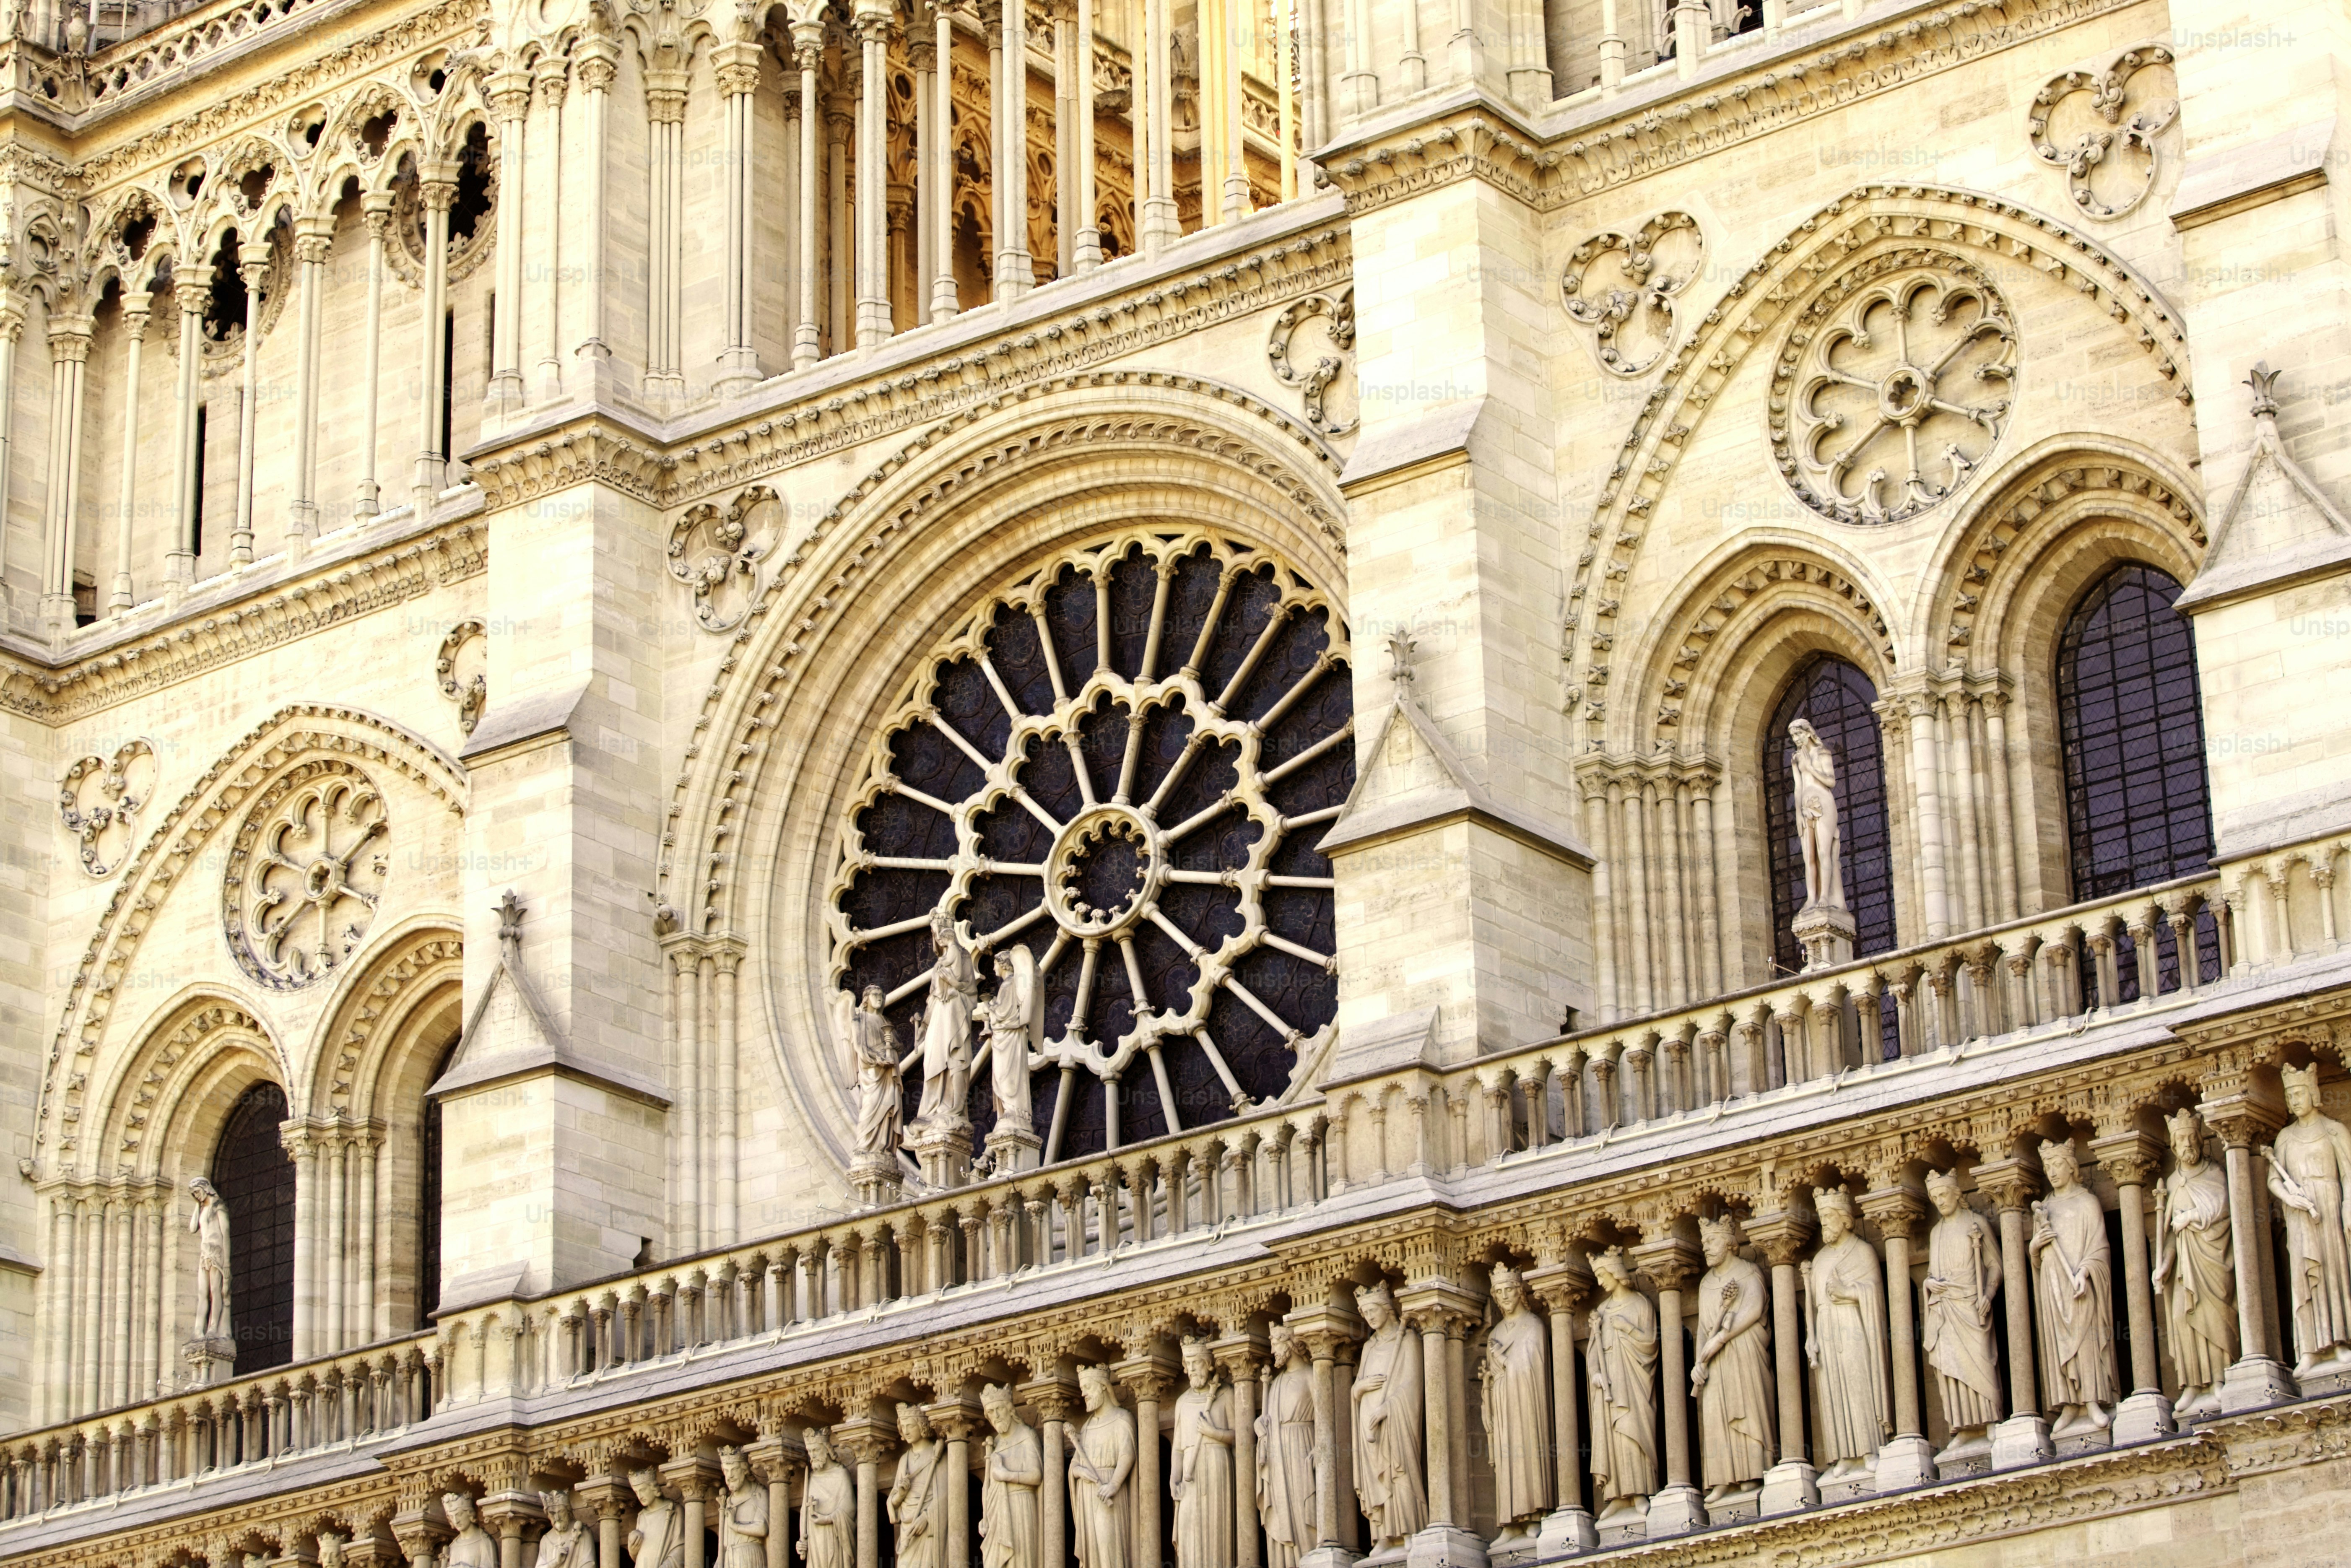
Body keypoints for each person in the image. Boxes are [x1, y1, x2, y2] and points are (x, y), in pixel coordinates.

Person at [2268, 1062, 2351, 1378]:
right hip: (2299, 1214)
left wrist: (2346, 1209)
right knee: (2304, 1276)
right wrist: (2288, 1198)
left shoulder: (2334, 1130)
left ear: (2313, 1093)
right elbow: (2273, 1180)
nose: (2294, 1100)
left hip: (2329, 1207)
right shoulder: (2285, 1138)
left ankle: (2340, 1340)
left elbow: (2347, 1175)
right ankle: (2310, 1349)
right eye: (2289, 1095)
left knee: (2333, 1271)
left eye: (2299, 1093)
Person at [2153, 1109, 2235, 1417]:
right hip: (2183, 1270)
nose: (2186, 1144)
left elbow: (2223, 1208)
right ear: (2173, 1147)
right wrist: (2163, 1265)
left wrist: (2193, 1217)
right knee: (2180, 1319)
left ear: (2200, 1141)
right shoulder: (2173, 1182)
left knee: (2212, 1314)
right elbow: (2170, 1235)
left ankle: (2219, 1378)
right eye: (2180, 1139)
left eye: (2191, 1138)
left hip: (2211, 1260)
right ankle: (2191, 1384)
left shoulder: (2214, 1174)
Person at [1803, 1189, 1889, 1482]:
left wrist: (1847, 1293)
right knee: (1832, 1391)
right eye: (1822, 1218)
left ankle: (1869, 1449)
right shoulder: (1820, 1259)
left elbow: (1874, 1292)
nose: (1824, 1223)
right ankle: (1843, 1454)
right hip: (1826, 1329)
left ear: (1845, 1220)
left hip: (1853, 1325)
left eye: (1828, 1217)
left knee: (1857, 1384)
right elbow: (1812, 1305)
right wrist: (1810, 1337)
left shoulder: (1862, 1251)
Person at [1919, 1170, 2003, 1462]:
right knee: (1949, 1366)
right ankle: (1963, 1428)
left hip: (1970, 1304)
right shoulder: (1936, 1232)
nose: (1940, 1201)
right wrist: (1928, 1284)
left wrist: (1988, 1295)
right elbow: (1931, 1274)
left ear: (1957, 1194)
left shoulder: (1975, 1224)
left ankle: (1990, 1418)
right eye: (1934, 1197)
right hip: (1944, 1307)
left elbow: (1995, 1266)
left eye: (1944, 1195)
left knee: (1980, 1359)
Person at [1690, 1217, 1772, 1505]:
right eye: (1703, 1243)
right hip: (1714, 1362)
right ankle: (1722, 1479)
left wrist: (1722, 1338)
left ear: (1729, 1243)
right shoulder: (1705, 1284)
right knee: (1714, 1415)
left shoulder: (1748, 1272)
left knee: (1746, 1406)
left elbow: (1754, 1309)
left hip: (1743, 1354)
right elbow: (1702, 1327)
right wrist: (1698, 1362)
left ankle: (1752, 1471)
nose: (1705, 1248)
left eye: (1710, 1242)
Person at [1479, 1263, 1553, 1539]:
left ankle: (1533, 1513)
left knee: (1527, 1455)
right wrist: (1490, 1383)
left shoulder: (1532, 1326)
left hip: (1527, 1405)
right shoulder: (1495, 1333)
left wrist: (1503, 1361)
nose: (1504, 1297)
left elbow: (1530, 1370)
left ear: (1520, 1291)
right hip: (1504, 1406)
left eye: (1509, 1290)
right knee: (1506, 1459)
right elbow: (1494, 1376)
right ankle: (1510, 1520)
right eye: (1498, 1292)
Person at [1351, 1282, 1425, 1546]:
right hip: (1368, 1423)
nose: (1369, 1317)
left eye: (1373, 1310)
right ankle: (1382, 1535)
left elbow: (1413, 1386)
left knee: (1400, 1471)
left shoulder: (1408, 1341)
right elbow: (1357, 1386)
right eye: (1364, 1313)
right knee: (1375, 1478)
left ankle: (1408, 1529)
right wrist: (1358, 1389)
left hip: (1396, 1419)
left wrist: (1388, 1408)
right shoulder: (1369, 1348)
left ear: (1387, 1308)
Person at [1586, 1249, 1657, 1524]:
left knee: (1632, 1432)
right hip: (1608, 1385)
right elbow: (1593, 1351)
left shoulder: (1639, 1304)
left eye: (1603, 1275)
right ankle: (1617, 1496)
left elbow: (1650, 1343)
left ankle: (1640, 1490)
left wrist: (1626, 1328)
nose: (1601, 1282)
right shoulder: (1601, 1311)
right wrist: (1594, 1374)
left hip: (1632, 1380)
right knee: (1611, 1436)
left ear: (1616, 1273)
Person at [1257, 1323, 1318, 1568]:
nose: (1274, 1352)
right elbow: (1270, 1420)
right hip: (1279, 1451)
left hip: (1303, 1445)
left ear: (1292, 1344)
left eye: (1277, 1346)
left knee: (1305, 1504)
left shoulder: (1311, 1374)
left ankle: (1312, 1553)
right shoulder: (1277, 1383)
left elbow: (1326, 1416)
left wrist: (1321, 1447)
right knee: (1284, 1505)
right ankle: (1288, 1562)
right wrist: (1260, 1427)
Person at [1171, 1337, 1233, 1568]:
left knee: (1214, 1523)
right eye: (1189, 1363)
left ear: (1209, 1365)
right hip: (1190, 1468)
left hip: (1217, 1463)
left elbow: (1242, 1438)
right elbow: (1177, 1448)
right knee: (1189, 1526)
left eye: (1198, 1362)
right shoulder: (1182, 1402)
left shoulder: (1225, 1394)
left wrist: (1214, 1432)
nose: (1193, 1368)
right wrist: (1173, 1479)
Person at [1069, 1364, 1135, 1568]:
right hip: (1089, 1494)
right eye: (1082, 1389)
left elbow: (1127, 1455)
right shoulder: (1087, 1427)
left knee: (1109, 1544)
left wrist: (1114, 1485)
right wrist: (1081, 1473)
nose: (1084, 1394)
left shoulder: (1122, 1419)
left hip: (1108, 1490)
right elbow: (1074, 1465)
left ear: (1104, 1387)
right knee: (1094, 1551)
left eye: (1088, 1387)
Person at [979, 1384, 1042, 1568]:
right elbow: (988, 1487)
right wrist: (985, 1519)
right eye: (991, 1412)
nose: (996, 1416)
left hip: (1021, 1505)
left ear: (1010, 1409)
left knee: (1021, 1560)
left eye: (999, 1409)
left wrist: (1007, 1475)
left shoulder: (1027, 1435)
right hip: (998, 1509)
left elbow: (1036, 1476)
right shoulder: (996, 1443)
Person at [800, 1430, 855, 1568]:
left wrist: (828, 1519)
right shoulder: (811, 1478)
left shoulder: (841, 1474)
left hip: (834, 1535)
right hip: (814, 1540)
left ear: (827, 1449)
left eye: (816, 1450)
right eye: (810, 1451)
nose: (812, 1455)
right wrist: (801, 1543)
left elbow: (849, 1508)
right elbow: (804, 1515)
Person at [188, 1176, 232, 1342]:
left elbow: (225, 1233)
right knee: (202, 1293)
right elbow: (193, 1229)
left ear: (206, 1188)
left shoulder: (218, 1206)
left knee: (215, 1291)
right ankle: (199, 1330)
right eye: (194, 1194)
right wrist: (197, 1207)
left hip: (217, 1252)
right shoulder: (203, 1208)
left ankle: (214, 1327)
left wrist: (227, 1261)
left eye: (198, 1192)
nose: (197, 1196)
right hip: (205, 1253)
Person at [718, 1449, 768, 1568]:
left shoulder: (759, 1494)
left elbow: (762, 1529)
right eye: (726, 1471)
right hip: (729, 1557)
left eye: (734, 1470)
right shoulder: (729, 1500)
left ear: (745, 1470)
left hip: (750, 1555)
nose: (730, 1476)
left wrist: (735, 1526)